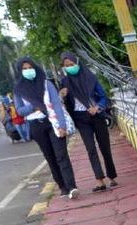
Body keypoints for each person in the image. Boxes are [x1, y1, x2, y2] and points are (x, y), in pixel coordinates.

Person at [13, 56, 79, 198]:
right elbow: (20, 110)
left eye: (30, 68)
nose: (28, 71)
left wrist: (62, 125)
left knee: (61, 155)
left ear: (35, 68)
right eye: (25, 69)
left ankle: (72, 186)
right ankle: (62, 186)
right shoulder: (19, 90)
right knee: (50, 157)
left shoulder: (46, 84)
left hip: (52, 122)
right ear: (20, 71)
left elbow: (56, 105)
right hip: (36, 126)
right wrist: (33, 106)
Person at [59, 52, 118, 191]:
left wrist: (97, 107)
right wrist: (61, 95)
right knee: (90, 148)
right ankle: (99, 180)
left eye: (72, 64)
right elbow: (62, 103)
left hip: (97, 116)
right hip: (80, 118)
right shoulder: (64, 82)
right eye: (66, 66)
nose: (69, 67)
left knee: (105, 147)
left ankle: (112, 176)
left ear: (77, 63)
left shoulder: (91, 78)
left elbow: (103, 97)